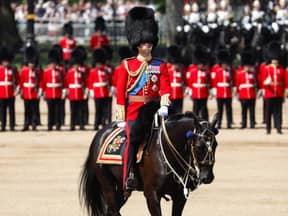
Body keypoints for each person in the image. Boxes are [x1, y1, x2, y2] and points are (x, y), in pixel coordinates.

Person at [115, 7, 171, 194]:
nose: (148, 46)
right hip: (135, 110)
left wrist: (164, 105)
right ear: (137, 44)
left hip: (155, 108)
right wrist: (121, 116)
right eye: (145, 44)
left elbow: (165, 87)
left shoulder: (160, 65)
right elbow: (120, 92)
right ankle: (128, 176)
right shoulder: (127, 65)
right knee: (132, 140)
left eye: (150, 43)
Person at [260, 41, 287, 134]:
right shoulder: (266, 68)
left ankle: (278, 128)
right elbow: (262, 80)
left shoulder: (282, 69)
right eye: (273, 59)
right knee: (268, 112)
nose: (275, 60)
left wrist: (284, 93)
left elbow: (285, 83)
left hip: (278, 93)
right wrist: (265, 83)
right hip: (269, 93)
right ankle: (268, 129)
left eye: (276, 59)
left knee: (278, 112)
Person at [19, 46, 42, 131]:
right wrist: (20, 90)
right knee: (26, 110)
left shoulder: (37, 72)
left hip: (34, 92)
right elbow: (21, 82)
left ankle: (34, 124)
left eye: (32, 63)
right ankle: (26, 124)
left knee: (34, 110)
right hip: (26, 92)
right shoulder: (24, 71)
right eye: (30, 63)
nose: (31, 64)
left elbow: (40, 81)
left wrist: (40, 90)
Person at [64, 49, 88, 131]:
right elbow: (66, 83)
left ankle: (81, 125)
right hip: (72, 94)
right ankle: (72, 125)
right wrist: (66, 92)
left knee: (81, 111)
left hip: (80, 93)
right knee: (73, 111)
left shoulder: (82, 73)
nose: (76, 67)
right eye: (75, 65)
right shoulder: (69, 73)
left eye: (78, 65)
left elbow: (85, 83)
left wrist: (85, 92)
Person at [42, 47, 65, 131]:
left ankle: (58, 125)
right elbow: (44, 83)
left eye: (54, 64)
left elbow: (63, 82)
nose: (53, 65)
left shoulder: (60, 72)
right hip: (49, 93)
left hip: (58, 92)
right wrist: (43, 92)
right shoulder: (46, 72)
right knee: (50, 111)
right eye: (51, 64)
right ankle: (50, 125)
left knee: (57, 111)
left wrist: (63, 92)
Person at [211, 49, 235, 129]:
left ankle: (229, 123)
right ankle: (219, 123)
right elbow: (214, 81)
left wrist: (233, 88)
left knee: (228, 109)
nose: (225, 66)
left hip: (228, 92)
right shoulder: (218, 71)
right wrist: (214, 91)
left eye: (226, 64)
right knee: (220, 110)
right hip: (220, 93)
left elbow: (232, 80)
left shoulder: (229, 71)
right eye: (224, 64)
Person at [186, 45, 211, 120]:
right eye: (199, 64)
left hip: (203, 92)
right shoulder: (193, 71)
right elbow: (190, 82)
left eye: (202, 64)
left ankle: (205, 121)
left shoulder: (206, 72)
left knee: (204, 109)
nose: (201, 65)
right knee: (195, 108)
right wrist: (190, 91)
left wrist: (210, 90)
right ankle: (195, 122)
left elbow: (209, 82)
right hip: (195, 92)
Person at [88, 48, 110, 130]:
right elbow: (90, 82)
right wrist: (91, 91)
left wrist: (110, 89)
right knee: (98, 110)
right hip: (97, 93)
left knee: (105, 110)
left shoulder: (105, 71)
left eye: (100, 64)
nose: (99, 65)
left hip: (104, 92)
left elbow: (109, 81)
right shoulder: (92, 71)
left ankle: (103, 123)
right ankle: (96, 124)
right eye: (98, 64)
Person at [236, 49, 258, 129]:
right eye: (246, 66)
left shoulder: (253, 74)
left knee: (252, 110)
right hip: (243, 94)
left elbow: (255, 83)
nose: (247, 68)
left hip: (251, 94)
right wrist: (238, 94)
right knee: (244, 111)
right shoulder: (240, 74)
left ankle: (252, 124)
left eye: (248, 66)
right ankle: (244, 123)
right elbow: (238, 85)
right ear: (243, 67)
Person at [0, 46, 19, 131]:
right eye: (4, 61)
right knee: (2, 111)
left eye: (7, 61)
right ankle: (3, 126)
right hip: (1, 92)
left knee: (11, 110)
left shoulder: (13, 69)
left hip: (11, 92)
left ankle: (12, 126)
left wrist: (17, 90)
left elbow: (18, 80)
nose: (6, 63)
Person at [166, 45, 185, 114]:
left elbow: (184, 79)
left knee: (179, 112)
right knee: (170, 112)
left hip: (179, 93)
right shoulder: (166, 68)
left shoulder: (181, 68)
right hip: (169, 94)